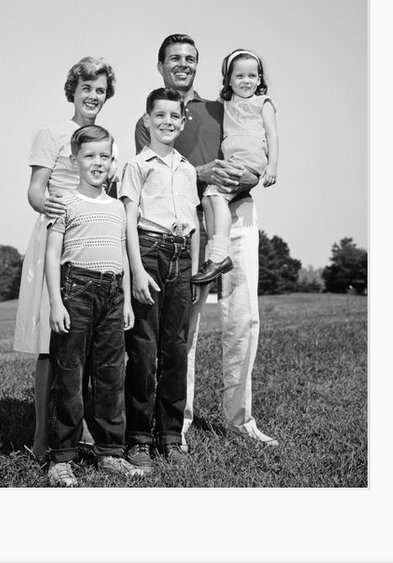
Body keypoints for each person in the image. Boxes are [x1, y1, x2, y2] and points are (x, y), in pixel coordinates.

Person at [134, 34, 278, 448]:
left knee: (243, 318)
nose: (183, 64)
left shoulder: (223, 106)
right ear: (160, 65)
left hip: (239, 214)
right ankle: (178, 422)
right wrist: (205, 172)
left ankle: (240, 420)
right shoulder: (151, 118)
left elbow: (257, 144)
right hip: (187, 223)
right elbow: (158, 171)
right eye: (174, 58)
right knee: (186, 325)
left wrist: (252, 172)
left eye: (190, 58)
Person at [13, 57, 119, 467]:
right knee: (50, 346)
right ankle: (42, 437)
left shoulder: (105, 141)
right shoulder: (52, 134)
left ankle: (85, 431)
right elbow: (35, 191)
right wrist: (54, 209)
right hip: (56, 239)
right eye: (87, 88)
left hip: (92, 244)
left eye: (100, 90)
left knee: (89, 346)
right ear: (73, 90)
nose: (93, 96)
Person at [44, 125, 143, 487]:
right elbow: (52, 255)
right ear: (75, 161)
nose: (97, 162)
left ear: (113, 161)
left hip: (113, 295)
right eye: (89, 156)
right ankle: (62, 458)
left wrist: (128, 302)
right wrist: (57, 303)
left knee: (110, 377)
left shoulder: (118, 208)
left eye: (104, 156)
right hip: (76, 291)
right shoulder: (65, 203)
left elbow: (123, 256)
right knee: (70, 375)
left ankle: (110, 452)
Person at [120, 87, 200, 471]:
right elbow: (129, 223)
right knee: (144, 350)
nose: (168, 122)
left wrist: (196, 272)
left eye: (174, 116)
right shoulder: (137, 165)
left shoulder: (186, 169)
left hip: (181, 258)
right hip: (149, 255)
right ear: (147, 120)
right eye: (160, 116)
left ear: (182, 122)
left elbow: (195, 223)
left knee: (176, 350)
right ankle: (137, 439)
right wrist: (136, 270)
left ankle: (170, 437)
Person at [191, 48, 279, 285]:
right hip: (234, 160)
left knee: (215, 195)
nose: (246, 81)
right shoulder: (227, 102)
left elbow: (272, 134)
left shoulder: (263, 103)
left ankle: (218, 255)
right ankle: (216, 252)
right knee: (210, 196)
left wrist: (272, 166)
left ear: (260, 78)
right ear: (228, 79)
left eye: (252, 75)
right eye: (239, 76)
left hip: (248, 160)